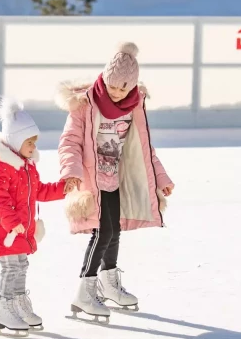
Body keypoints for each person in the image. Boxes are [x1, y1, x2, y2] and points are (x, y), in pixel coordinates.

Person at [56, 42, 174, 323]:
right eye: (112, 86)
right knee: (102, 232)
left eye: (123, 88)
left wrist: (161, 178)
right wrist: (71, 172)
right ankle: (85, 291)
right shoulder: (85, 104)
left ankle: (108, 283)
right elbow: (69, 141)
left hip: (117, 178)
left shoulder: (134, 107)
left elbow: (143, 148)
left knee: (114, 231)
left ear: (132, 87)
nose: (116, 92)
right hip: (92, 179)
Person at [0, 98, 66, 336]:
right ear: (16, 141)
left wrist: (63, 188)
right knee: (11, 268)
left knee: (21, 266)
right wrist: (12, 223)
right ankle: (4, 308)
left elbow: (39, 191)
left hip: (20, 229)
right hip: (5, 229)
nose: (33, 147)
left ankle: (18, 303)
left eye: (35, 142)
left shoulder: (25, 166)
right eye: (29, 142)